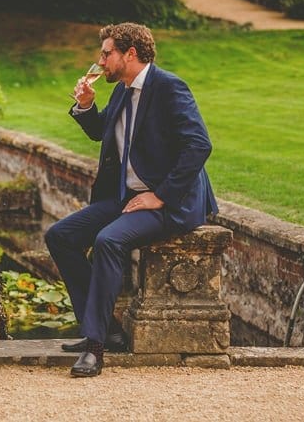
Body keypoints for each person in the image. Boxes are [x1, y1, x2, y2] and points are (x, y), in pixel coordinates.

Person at [45, 22, 218, 377]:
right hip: (126, 197)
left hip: (172, 202)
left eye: (106, 53)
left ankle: (95, 347)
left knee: (109, 240)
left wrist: (161, 195)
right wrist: (85, 106)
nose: (100, 61)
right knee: (60, 236)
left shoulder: (169, 88)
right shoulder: (123, 90)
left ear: (130, 54)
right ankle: (105, 328)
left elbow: (199, 145)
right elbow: (101, 131)